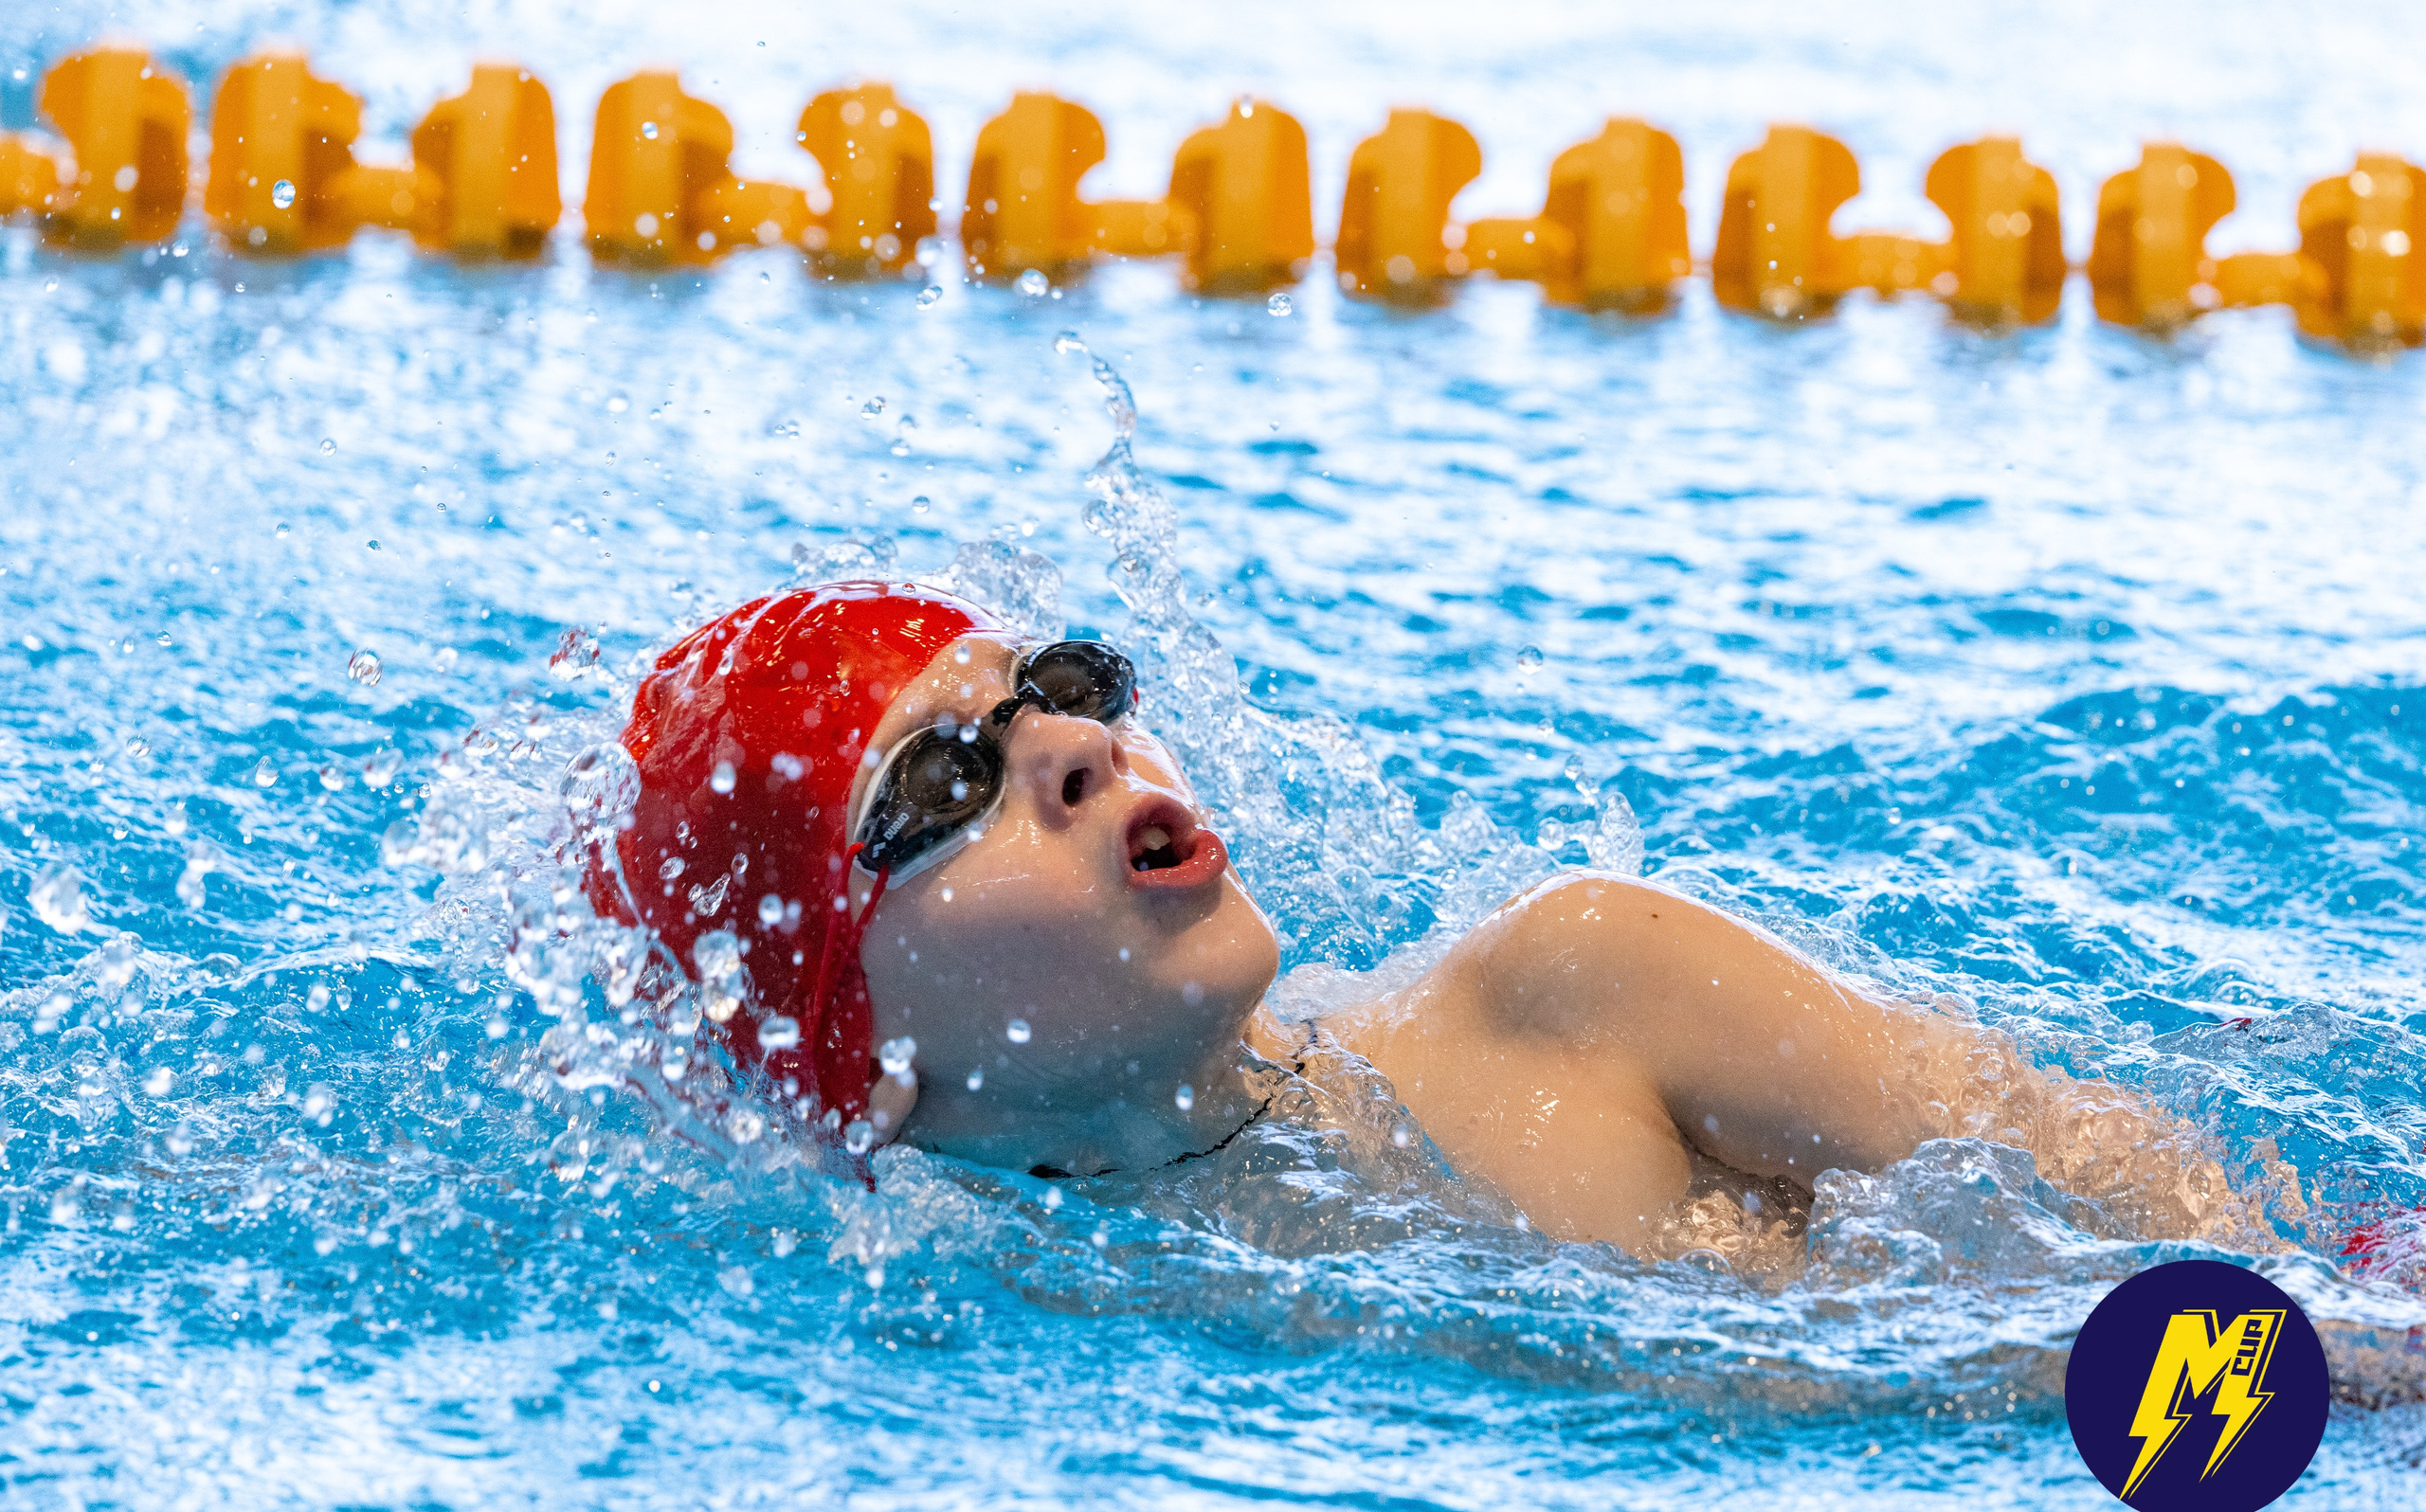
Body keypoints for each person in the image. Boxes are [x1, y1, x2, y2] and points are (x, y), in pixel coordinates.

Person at [590, 580, 2271, 1254]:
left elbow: (2161, 1215)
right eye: (946, 781)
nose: (1079, 744)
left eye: (1060, 687)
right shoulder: (1023, 1336)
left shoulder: (1570, 997)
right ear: (855, 1063)